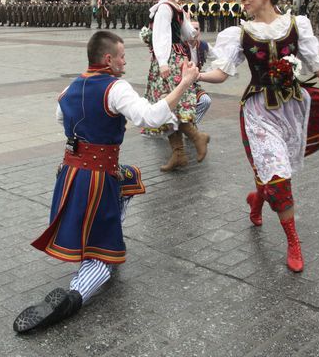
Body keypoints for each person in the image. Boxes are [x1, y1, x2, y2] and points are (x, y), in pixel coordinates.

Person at [13, 31, 199, 333]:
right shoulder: (116, 87)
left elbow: (60, 118)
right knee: (101, 257)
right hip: (97, 179)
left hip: (70, 174)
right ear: (109, 59)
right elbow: (150, 118)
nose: (126, 62)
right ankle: (76, 294)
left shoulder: (70, 87)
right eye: (123, 56)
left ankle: (102, 240)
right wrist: (185, 83)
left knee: (129, 179)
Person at [199, 0, 319, 273]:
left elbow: (317, 66)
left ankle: (257, 199)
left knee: (274, 169)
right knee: (278, 175)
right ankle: (293, 241)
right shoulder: (240, 33)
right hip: (259, 111)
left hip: (292, 107)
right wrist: (195, 75)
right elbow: (221, 74)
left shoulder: (295, 25)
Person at [144, 0, 210, 171]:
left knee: (168, 104)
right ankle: (178, 153)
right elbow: (189, 32)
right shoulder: (177, 7)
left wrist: (162, 62)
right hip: (179, 56)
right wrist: (192, 34)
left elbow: (160, 36)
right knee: (172, 107)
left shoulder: (165, 7)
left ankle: (196, 137)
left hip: (169, 59)